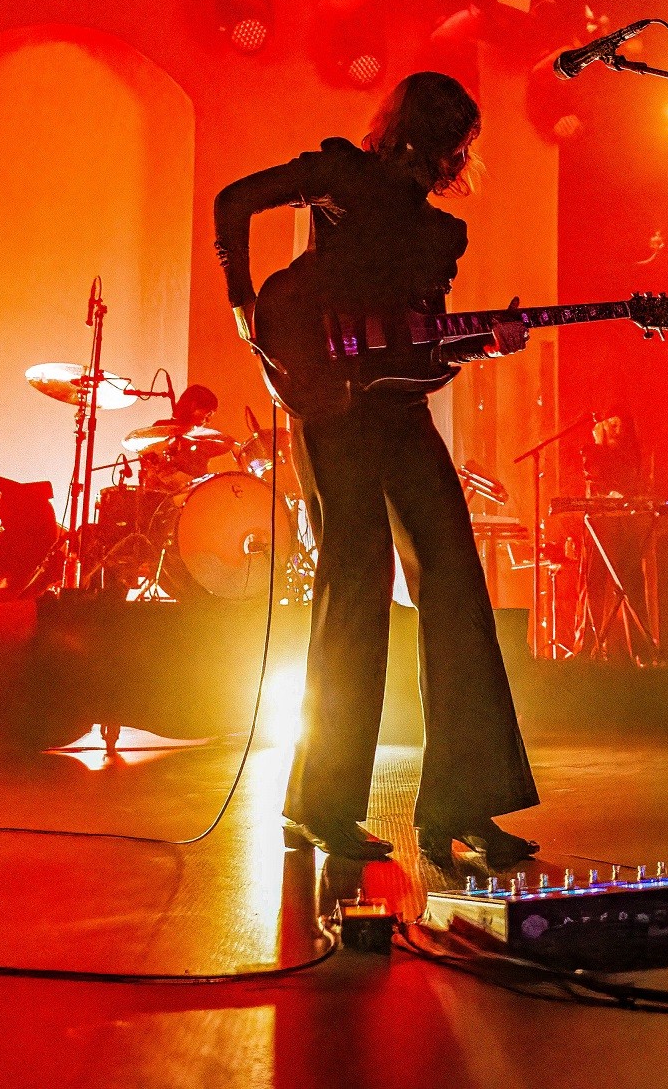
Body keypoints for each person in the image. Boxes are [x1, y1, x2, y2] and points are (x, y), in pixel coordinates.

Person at [214, 72, 538, 868]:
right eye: (441, 137)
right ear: (408, 130)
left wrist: (485, 341)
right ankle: (319, 805)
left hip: (398, 410)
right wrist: (244, 305)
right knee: (356, 580)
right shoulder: (340, 176)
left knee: (457, 582)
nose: (444, 157)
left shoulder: (437, 235)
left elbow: (422, 344)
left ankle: (460, 803)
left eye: (454, 144)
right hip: (330, 403)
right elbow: (234, 200)